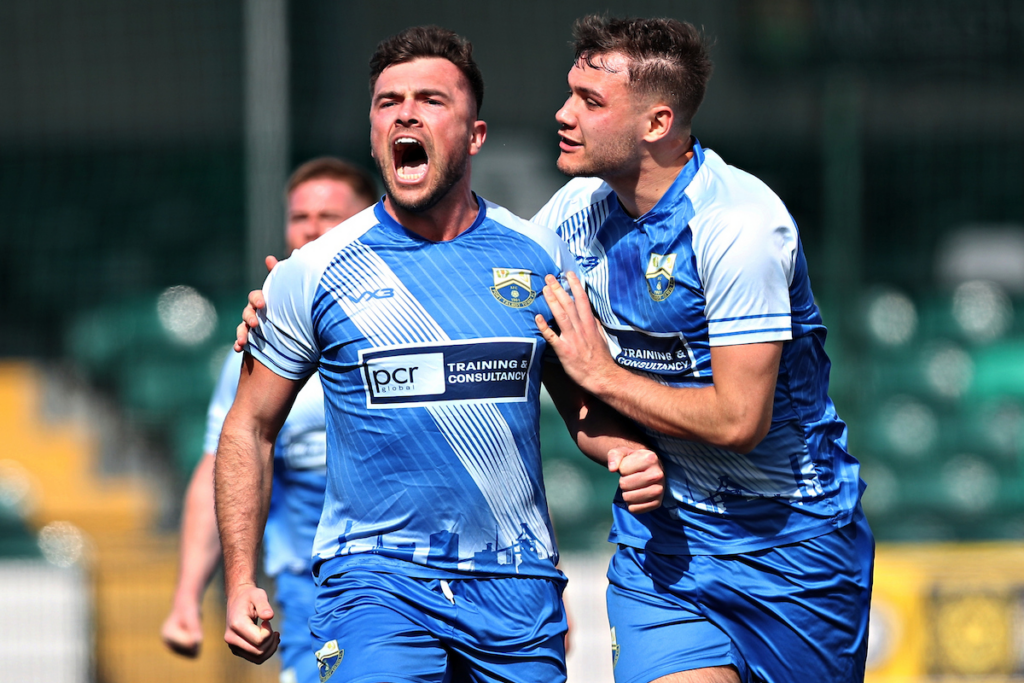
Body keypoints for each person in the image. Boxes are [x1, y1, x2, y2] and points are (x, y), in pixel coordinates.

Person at [215, 25, 663, 683]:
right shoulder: (311, 273)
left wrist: (624, 450)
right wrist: (239, 577)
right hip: (374, 582)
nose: (404, 113)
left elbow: (583, 407)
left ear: (474, 135)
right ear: (373, 134)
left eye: (430, 99)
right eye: (387, 101)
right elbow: (248, 425)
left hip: (515, 585)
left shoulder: (539, 259)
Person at [530, 15, 874, 683]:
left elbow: (740, 420)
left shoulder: (738, 225)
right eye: (571, 92)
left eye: (590, 101)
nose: (563, 112)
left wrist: (603, 373)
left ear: (657, 123)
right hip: (663, 544)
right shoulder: (571, 215)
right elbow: (516, 320)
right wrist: (302, 305)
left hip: (793, 545)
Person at [160, 157, 377, 683]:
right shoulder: (263, 340)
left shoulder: (409, 326)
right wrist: (189, 594)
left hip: (413, 576)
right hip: (311, 592)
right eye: (300, 216)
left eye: (330, 215)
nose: (311, 229)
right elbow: (223, 461)